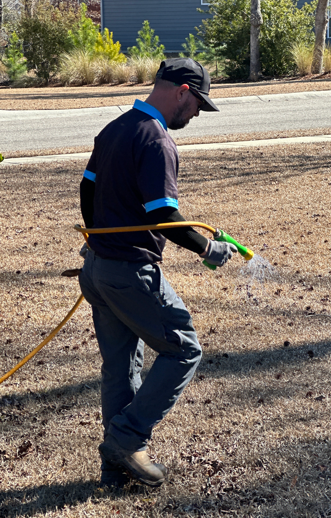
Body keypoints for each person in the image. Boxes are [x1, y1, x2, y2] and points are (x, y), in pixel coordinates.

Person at [78, 58, 237, 488]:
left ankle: (115, 470)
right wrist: (206, 247)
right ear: (182, 91)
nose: (198, 113)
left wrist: (95, 238)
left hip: (97, 270)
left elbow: (87, 186)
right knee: (184, 349)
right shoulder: (156, 139)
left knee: (120, 367)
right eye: (198, 103)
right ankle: (127, 440)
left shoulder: (116, 128)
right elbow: (164, 213)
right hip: (129, 272)